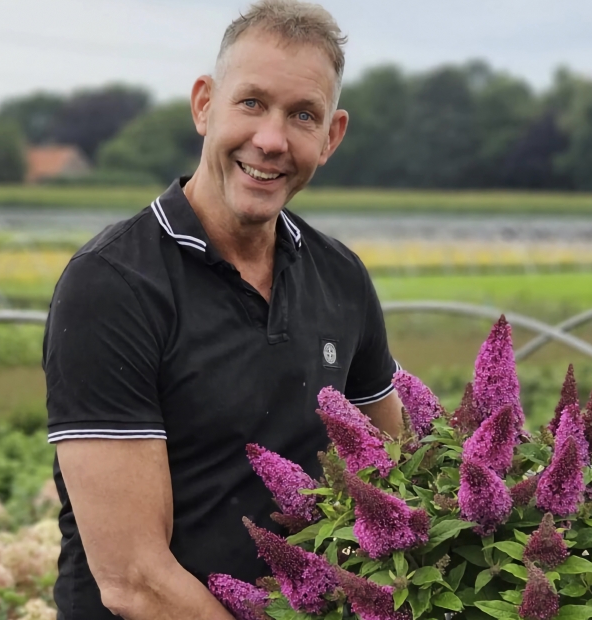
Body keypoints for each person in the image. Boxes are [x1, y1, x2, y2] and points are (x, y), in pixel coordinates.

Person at [42, 2, 404, 618]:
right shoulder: (112, 286)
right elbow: (135, 579)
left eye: (302, 115)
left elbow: (395, 465)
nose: (271, 140)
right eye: (252, 103)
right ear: (205, 103)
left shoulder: (339, 275)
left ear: (331, 136)